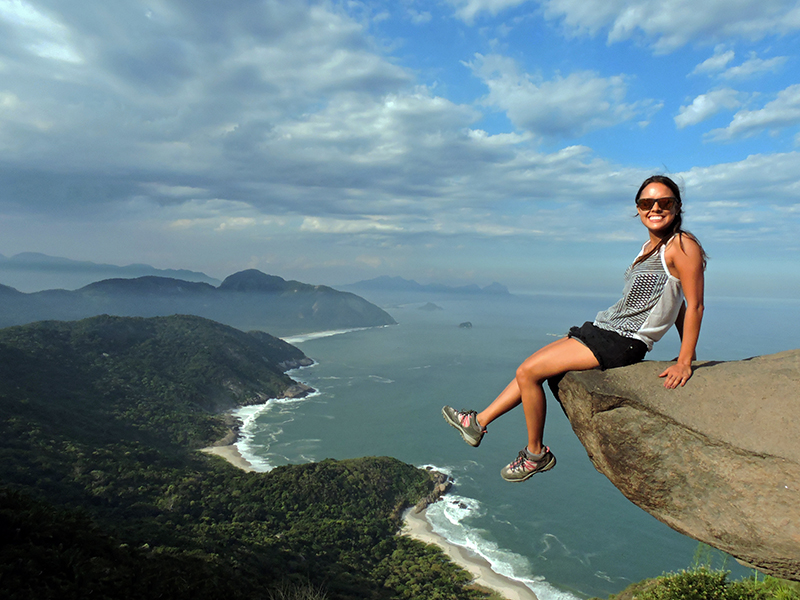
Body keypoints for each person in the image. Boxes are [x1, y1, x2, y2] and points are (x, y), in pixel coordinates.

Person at [443, 175, 706, 483]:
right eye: (647, 203)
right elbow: (676, 305)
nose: (656, 208)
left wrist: (685, 360)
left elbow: (694, 305)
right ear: (638, 208)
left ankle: (535, 454)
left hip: (623, 340)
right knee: (527, 369)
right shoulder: (650, 246)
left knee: (529, 372)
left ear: (678, 207)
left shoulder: (682, 245)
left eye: (665, 202)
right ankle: (479, 422)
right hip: (606, 329)